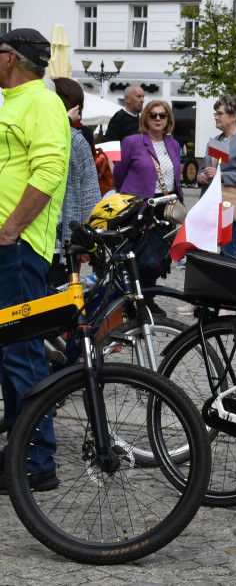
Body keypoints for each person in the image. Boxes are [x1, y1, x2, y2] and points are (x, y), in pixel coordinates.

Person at [0, 27, 70, 492]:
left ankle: (37, 460)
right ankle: (18, 449)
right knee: (9, 354)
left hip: (20, 247)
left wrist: (10, 230)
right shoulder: (13, 102)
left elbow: (49, 171)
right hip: (10, 245)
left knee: (23, 352)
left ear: (10, 57)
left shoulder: (42, 102)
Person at [113, 100, 183, 293]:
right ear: (146, 118)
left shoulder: (174, 144)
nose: (158, 118)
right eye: (153, 115)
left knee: (158, 255)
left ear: (168, 119)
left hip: (165, 207)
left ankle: (148, 294)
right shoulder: (132, 142)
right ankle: (130, 296)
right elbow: (119, 175)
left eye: (162, 115)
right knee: (136, 253)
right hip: (140, 207)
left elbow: (175, 177)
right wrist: (130, 197)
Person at [50, 78, 102, 288]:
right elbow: (90, 194)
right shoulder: (75, 138)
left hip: (53, 240)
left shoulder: (75, 139)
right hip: (55, 238)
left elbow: (89, 193)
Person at [198, 94, 236, 259]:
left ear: (233, 116)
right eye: (215, 113)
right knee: (203, 251)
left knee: (228, 254)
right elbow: (204, 168)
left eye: (220, 113)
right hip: (209, 205)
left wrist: (222, 175)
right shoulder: (215, 141)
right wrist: (201, 176)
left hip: (228, 205)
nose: (216, 117)